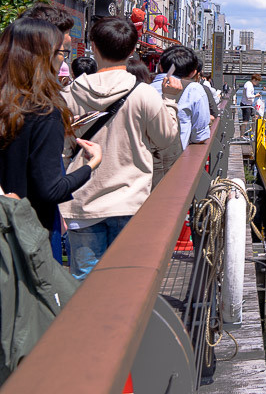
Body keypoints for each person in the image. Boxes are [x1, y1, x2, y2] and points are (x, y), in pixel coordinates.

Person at [61, 16, 182, 280]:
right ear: (132, 51)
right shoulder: (144, 94)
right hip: (130, 200)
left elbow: (63, 146)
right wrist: (170, 101)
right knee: (126, 281)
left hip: (82, 200)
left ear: (92, 46)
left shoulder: (68, 95)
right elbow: (165, 139)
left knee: (83, 284)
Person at [0, 18, 103, 263]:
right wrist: (91, 165)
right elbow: (51, 190)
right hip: (26, 236)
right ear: (41, 57)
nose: (63, 61)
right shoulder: (44, 111)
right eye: (60, 53)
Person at [151, 46, 211, 150]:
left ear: (160, 67)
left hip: (142, 161)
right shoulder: (194, 89)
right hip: (177, 161)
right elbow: (200, 137)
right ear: (193, 72)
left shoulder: (143, 88)